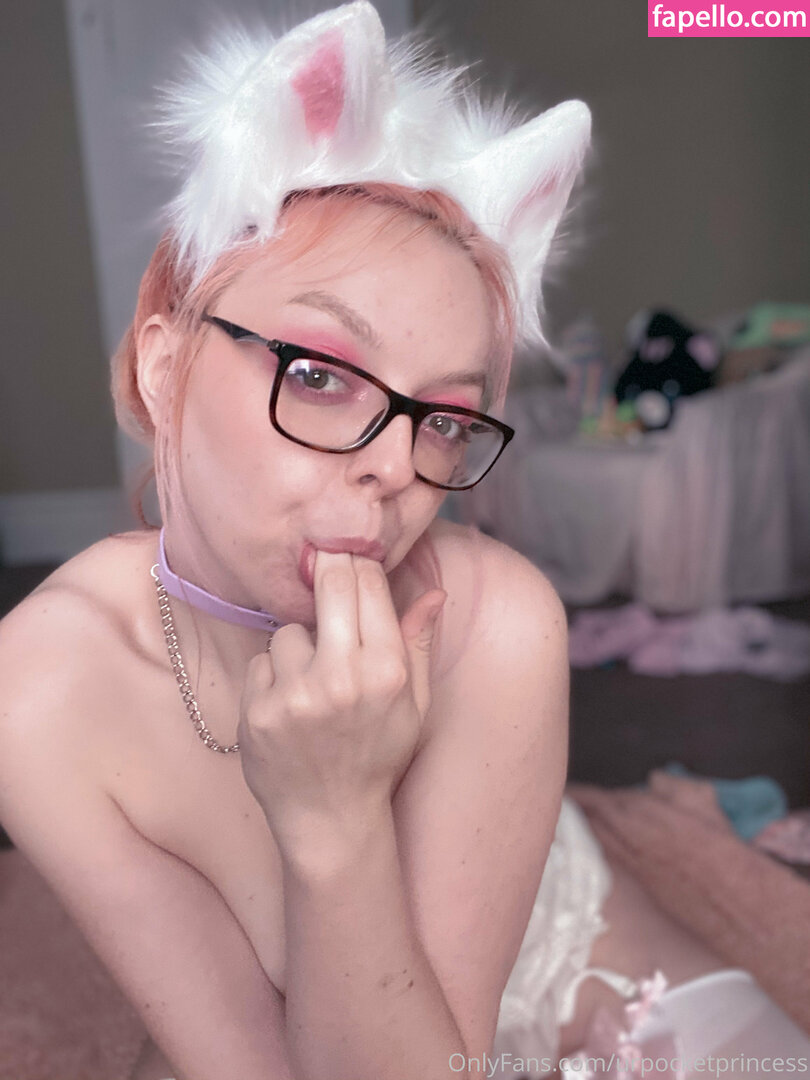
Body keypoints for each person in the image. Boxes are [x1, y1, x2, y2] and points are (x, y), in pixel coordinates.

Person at [1, 4, 807, 1079]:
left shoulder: (497, 619)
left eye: (446, 419)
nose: (394, 463)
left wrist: (334, 823)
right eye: (320, 374)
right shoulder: (37, 687)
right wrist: (328, 818)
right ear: (162, 369)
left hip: (602, 990)